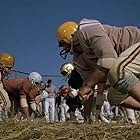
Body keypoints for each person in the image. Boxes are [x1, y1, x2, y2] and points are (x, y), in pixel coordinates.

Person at [56, 18, 140, 110]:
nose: (63, 48)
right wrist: (90, 115)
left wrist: (88, 86)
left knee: (118, 71)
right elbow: (95, 84)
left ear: (70, 36)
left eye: (62, 43)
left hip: (136, 43)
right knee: (114, 96)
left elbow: (109, 59)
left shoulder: (86, 29)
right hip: (132, 65)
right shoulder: (79, 60)